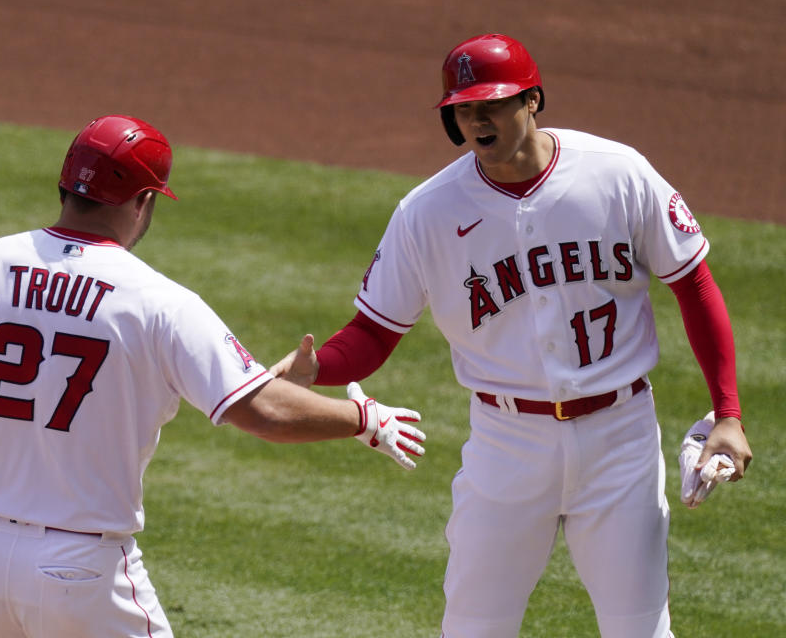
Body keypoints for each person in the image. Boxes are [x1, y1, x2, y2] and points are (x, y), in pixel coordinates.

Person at [0, 114, 425, 638]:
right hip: (81, 575)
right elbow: (263, 411)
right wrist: (363, 418)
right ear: (143, 200)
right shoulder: (159, 302)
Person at [270, 34, 753, 638]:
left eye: (492, 104)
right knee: (473, 629)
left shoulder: (617, 173)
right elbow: (374, 330)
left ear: (533, 101)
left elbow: (695, 283)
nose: (478, 119)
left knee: (640, 630)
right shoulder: (427, 213)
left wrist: (728, 412)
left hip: (619, 440)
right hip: (506, 443)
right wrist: (320, 368)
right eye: (464, 109)